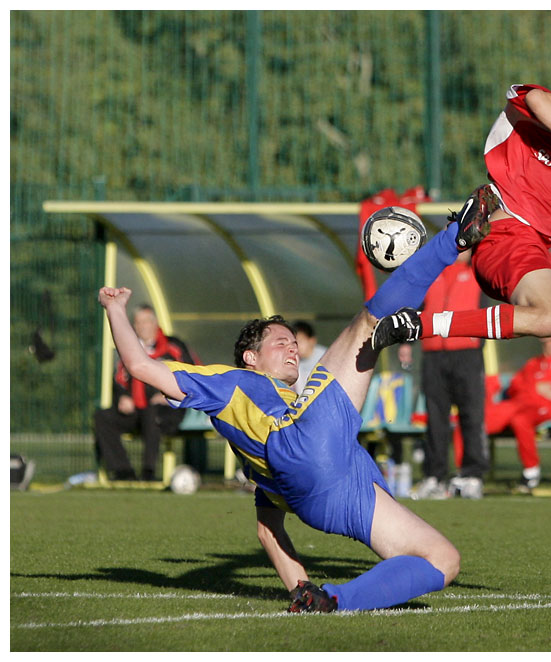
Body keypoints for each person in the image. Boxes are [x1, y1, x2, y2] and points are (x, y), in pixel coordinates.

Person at [97, 214, 488, 613]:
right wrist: (115, 309)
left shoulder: (266, 420)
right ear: (251, 358)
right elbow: (141, 366)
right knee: (368, 325)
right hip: (309, 447)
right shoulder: (231, 382)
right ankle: (456, 237)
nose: (292, 349)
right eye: (280, 343)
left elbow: (268, 531)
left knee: (443, 559)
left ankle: (331, 600)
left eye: (293, 344)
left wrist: (300, 587)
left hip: (329, 493)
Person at [373, 53, 551, 476]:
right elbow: (535, 96)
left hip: (537, 253)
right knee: (550, 319)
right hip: (503, 234)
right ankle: (422, 324)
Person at [412, 250, 488, 500]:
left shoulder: (479, 273)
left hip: (466, 353)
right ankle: (434, 476)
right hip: (433, 354)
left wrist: (479, 342)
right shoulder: (431, 273)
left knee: (472, 415)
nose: (457, 249)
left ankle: (472, 475)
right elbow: (416, 308)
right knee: (435, 418)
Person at [94, 304, 197, 481]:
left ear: (155, 323)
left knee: (152, 412)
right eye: (138, 322)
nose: (142, 326)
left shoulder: (173, 347)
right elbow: (119, 379)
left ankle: (148, 473)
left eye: (146, 321)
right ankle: (123, 472)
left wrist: (169, 394)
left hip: (168, 410)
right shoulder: (129, 349)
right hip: (137, 409)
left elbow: (191, 374)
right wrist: (123, 397)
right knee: (102, 417)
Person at [483, 327, 551, 490]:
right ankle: (467, 471)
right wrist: (535, 387)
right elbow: (514, 386)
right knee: (475, 421)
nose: (550, 345)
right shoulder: (534, 363)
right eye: (547, 342)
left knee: (520, 420)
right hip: (518, 405)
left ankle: (531, 471)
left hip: (547, 408)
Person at [292, 320, 327, 393]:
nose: (296, 346)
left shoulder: (326, 357)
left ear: (312, 340)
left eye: (300, 341)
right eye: (294, 342)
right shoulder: (295, 362)